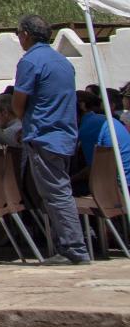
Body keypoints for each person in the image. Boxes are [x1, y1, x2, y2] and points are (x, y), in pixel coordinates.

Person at [13, 13, 89, 265]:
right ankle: (67, 245)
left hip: (43, 136)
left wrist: (25, 123)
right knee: (58, 191)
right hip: (64, 135)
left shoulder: (30, 62)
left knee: (56, 194)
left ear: (26, 34)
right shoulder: (63, 62)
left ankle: (73, 249)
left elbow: (18, 103)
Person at [74, 88, 130, 198]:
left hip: (119, 188)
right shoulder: (101, 120)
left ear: (82, 106)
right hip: (124, 181)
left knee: (65, 192)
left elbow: (93, 170)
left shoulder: (88, 127)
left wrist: (70, 179)